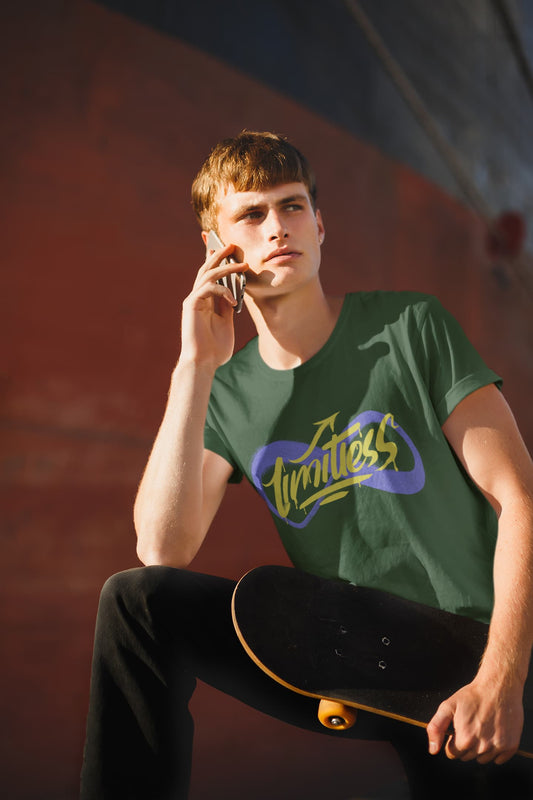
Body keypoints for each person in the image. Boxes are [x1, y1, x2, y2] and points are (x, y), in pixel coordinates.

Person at [80, 131, 533, 799]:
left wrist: (500, 678)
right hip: (351, 650)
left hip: (469, 648)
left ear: (320, 224)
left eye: (292, 207)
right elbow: (161, 546)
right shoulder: (227, 392)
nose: (278, 228)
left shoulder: (408, 327)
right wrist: (194, 367)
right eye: (252, 215)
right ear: (217, 250)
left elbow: (519, 501)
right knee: (136, 601)